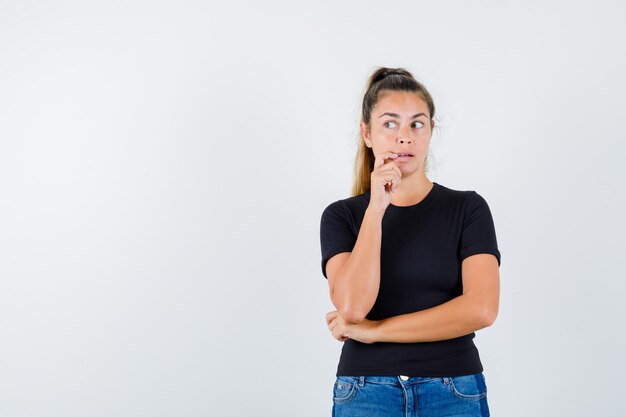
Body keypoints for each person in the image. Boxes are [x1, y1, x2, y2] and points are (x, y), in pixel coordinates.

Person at [319, 67, 501, 417]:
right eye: (390, 124)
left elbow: (481, 309)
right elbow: (353, 308)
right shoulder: (342, 217)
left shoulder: (467, 209)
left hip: (453, 389)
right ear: (367, 133)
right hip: (366, 391)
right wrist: (376, 209)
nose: (405, 137)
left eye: (416, 124)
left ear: (431, 130)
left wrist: (374, 331)